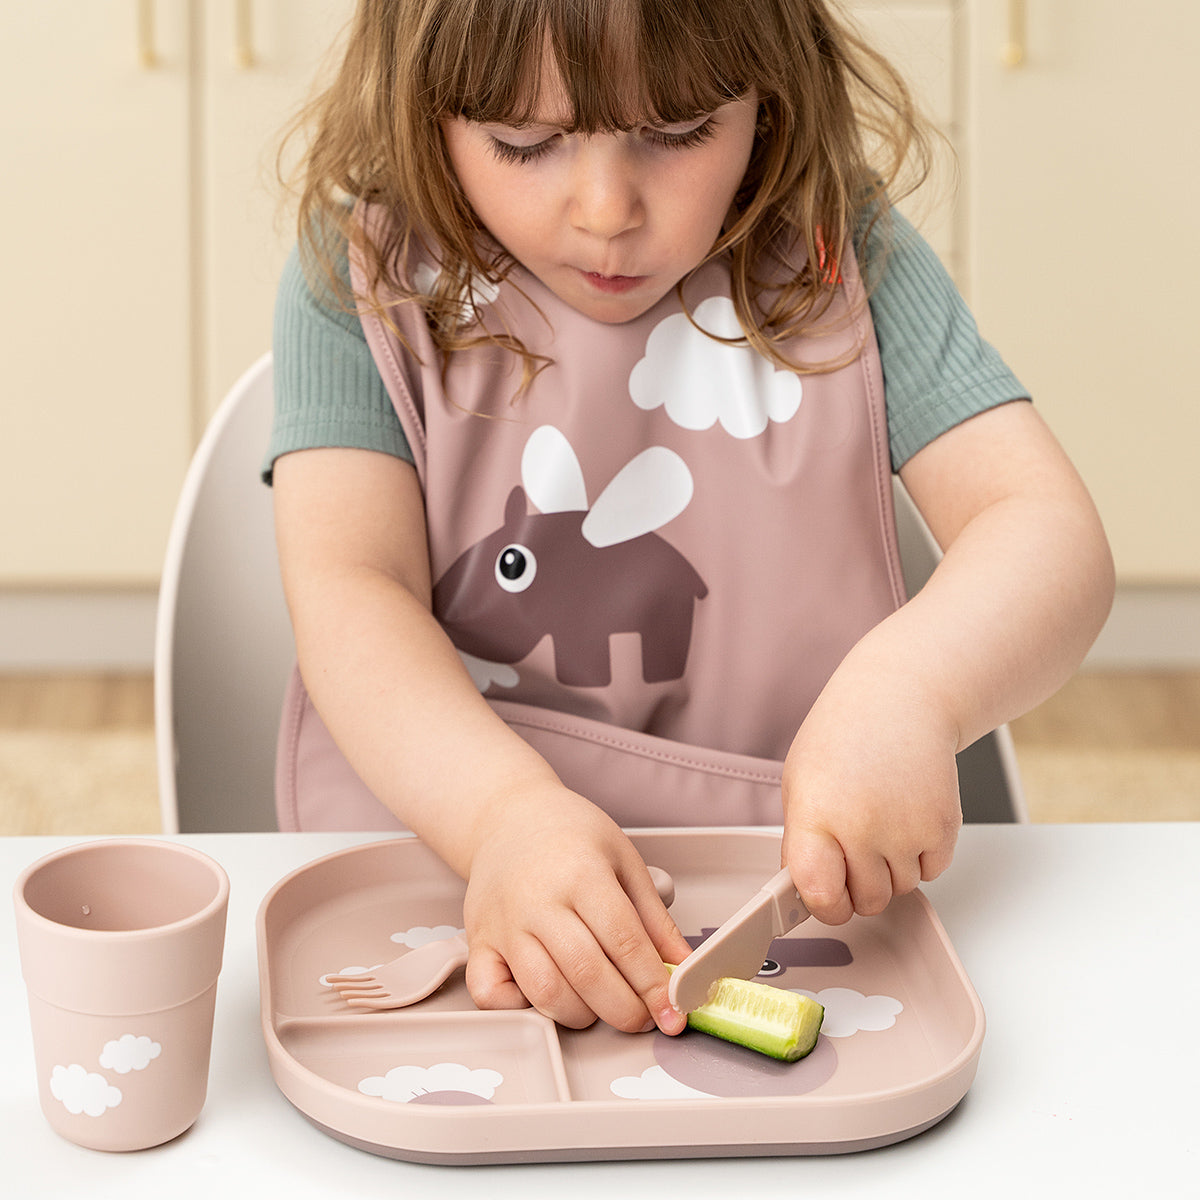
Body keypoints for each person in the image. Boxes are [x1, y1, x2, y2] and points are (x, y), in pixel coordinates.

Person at [266, 0, 1114, 1040]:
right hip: (451, 895)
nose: (606, 209)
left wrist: (913, 691)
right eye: (523, 144)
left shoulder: (841, 255)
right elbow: (356, 591)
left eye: (676, 133)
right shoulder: (362, 282)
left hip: (785, 915)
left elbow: (1041, 525)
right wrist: (501, 820)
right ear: (424, 110)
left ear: (771, 89)